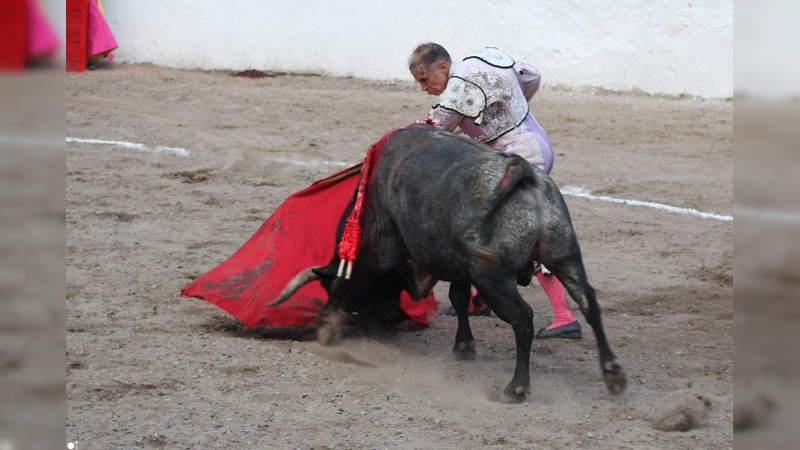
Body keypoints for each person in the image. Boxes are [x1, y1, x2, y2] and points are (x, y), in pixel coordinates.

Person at [408, 42, 581, 339]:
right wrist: (510, 106)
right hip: (535, 140)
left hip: (521, 159)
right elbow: (531, 75)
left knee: (522, 232)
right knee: (489, 227)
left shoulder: (456, 93)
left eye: (425, 79)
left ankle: (564, 316)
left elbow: (430, 132)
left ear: (443, 67)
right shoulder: (485, 57)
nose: (424, 87)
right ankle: (481, 298)